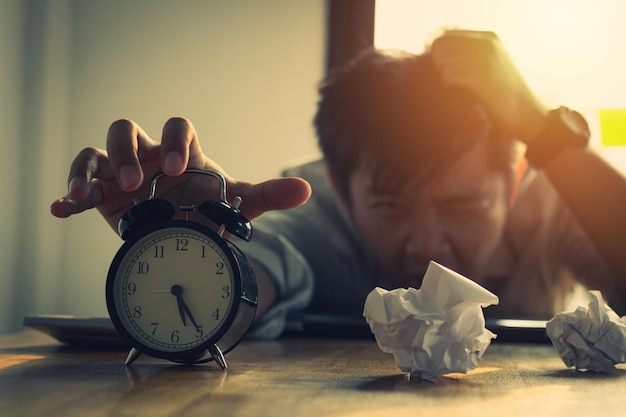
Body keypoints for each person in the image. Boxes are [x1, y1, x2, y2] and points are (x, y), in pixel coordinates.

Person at [51, 30, 626, 338]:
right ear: (344, 193)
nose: (426, 244)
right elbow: (262, 272)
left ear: (516, 177)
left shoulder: (557, 206)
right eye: (390, 204)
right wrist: (193, 250)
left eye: (464, 203)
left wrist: (545, 136)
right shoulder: (309, 208)